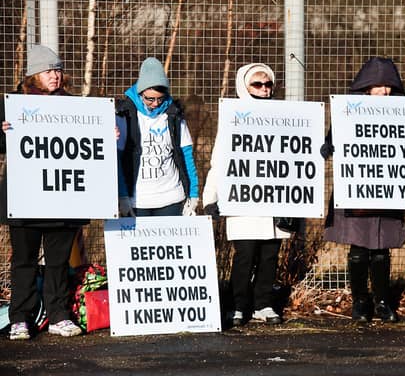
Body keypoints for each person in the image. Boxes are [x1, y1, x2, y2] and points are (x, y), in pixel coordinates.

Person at [1, 45, 84, 339]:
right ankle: (20, 318)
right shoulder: (14, 104)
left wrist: (105, 135)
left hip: (62, 199)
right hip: (25, 199)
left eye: (58, 70)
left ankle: (59, 314)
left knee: (58, 262)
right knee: (23, 261)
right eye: (49, 70)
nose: (56, 76)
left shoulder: (75, 106)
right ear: (34, 74)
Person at [321, 57, 405, 323]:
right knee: (358, 249)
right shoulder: (347, 111)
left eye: (389, 86)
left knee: (381, 249)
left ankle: (382, 302)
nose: (384, 91)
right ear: (367, 87)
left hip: (388, 188)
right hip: (356, 187)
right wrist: (328, 146)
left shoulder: (403, 113)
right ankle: (360, 301)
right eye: (379, 85)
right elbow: (333, 138)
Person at [203, 63, 288, 326]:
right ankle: (239, 306)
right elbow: (220, 161)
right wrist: (210, 197)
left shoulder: (284, 116)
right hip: (243, 201)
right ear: (244, 86)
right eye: (257, 84)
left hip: (275, 201)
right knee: (245, 255)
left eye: (268, 84)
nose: (264, 90)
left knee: (269, 255)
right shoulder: (233, 118)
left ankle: (263, 304)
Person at [116, 57, 199, 217]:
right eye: (150, 99)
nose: (155, 104)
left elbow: (187, 155)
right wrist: (122, 195)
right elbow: (118, 158)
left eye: (160, 99)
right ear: (140, 93)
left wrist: (193, 194)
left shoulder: (174, 115)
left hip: (171, 197)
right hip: (137, 200)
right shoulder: (124, 115)